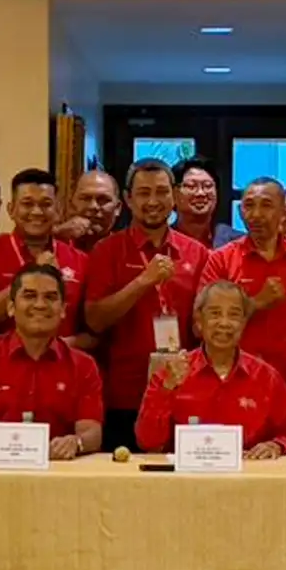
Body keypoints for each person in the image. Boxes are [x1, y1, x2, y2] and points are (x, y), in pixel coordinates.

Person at [84, 159, 209, 451]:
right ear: (128, 199)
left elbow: (203, 325)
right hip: (124, 395)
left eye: (161, 192)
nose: (153, 201)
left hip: (184, 391)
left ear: (175, 196)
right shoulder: (107, 251)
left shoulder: (198, 253)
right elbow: (95, 320)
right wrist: (143, 281)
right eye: (143, 193)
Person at [199, 178, 286, 426]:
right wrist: (255, 303)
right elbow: (201, 327)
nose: (256, 215)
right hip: (233, 380)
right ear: (240, 211)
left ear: (283, 211)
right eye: (249, 206)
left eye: (266, 205)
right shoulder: (221, 260)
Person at [0, 264, 104, 458]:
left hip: (58, 466)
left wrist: (76, 442)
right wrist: (8, 445)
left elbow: (92, 432)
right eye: (29, 296)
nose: (40, 305)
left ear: (63, 310)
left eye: (50, 297)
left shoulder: (83, 365)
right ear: (11, 307)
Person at [134, 280, 286, 458]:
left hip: (249, 473)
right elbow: (147, 442)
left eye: (234, 315)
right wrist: (166, 389)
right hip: (187, 474)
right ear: (199, 320)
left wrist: (276, 445)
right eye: (215, 313)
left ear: (244, 322)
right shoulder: (171, 373)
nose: (224, 323)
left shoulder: (267, 377)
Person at [0, 168, 91, 348]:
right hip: (3, 362)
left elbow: (93, 331)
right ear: (11, 210)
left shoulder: (80, 261)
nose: (37, 211)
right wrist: (33, 275)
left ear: (58, 210)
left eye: (46, 204)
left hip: (61, 360)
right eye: (27, 204)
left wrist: (59, 347)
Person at [173, 157, 243, 248]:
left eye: (208, 186)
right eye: (191, 186)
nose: (200, 193)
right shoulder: (161, 241)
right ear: (174, 193)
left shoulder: (238, 243)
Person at [54, 170, 121, 253]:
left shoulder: (127, 251)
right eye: (85, 198)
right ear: (71, 204)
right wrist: (56, 235)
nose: (93, 206)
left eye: (103, 199)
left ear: (117, 208)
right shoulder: (53, 246)